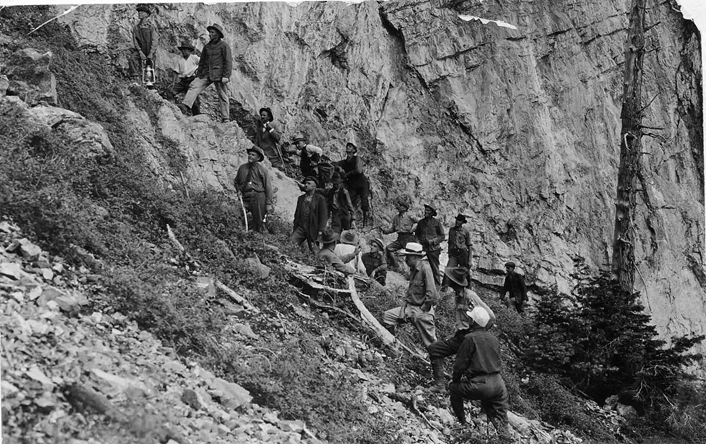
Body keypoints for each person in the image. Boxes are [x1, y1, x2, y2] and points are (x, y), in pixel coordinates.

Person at [428, 267, 495, 392]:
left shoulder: (470, 296)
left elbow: (491, 317)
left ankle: (482, 402)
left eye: (450, 279)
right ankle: (440, 385)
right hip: (460, 336)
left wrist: (479, 333)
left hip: (471, 338)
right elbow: (462, 320)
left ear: (455, 282)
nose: (447, 280)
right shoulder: (458, 295)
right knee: (434, 349)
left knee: (476, 368)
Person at [449, 306, 511, 439]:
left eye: (471, 319)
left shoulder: (469, 338)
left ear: (474, 322)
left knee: (454, 389)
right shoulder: (494, 339)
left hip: (482, 384)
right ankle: (505, 439)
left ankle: (463, 424)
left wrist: (455, 380)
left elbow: (459, 365)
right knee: (501, 421)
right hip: (499, 384)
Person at [382, 242, 438, 349]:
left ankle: (437, 365)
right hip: (410, 307)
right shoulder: (413, 269)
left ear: (414, 257)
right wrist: (404, 308)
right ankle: (393, 347)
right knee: (388, 317)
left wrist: (422, 310)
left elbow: (432, 295)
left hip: (422, 311)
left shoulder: (425, 268)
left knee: (431, 343)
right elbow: (410, 293)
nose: (405, 260)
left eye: (407, 256)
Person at [182, 24, 232, 122]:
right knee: (194, 85)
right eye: (210, 32)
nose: (210, 34)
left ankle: (225, 118)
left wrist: (226, 76)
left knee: (223, 95)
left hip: (219, 74)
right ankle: (186, 106)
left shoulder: (224, 46)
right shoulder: (207, 47)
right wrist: (199, 73)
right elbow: (202, 61)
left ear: (217, 34)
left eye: (212, 32)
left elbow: (228, 61)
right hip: (206, 73)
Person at [234, 146, 272, 234]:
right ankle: (239, 232)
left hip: (258, 197)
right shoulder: (242, 168)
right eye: (249, 154)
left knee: (260, 221)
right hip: (245, 197)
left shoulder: (262, 170)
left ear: (258, 158)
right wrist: (238, 190)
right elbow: (236, 182)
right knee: (236, 212)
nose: (250, 156)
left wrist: (268, 203)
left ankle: (262, 238)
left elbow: (268, 187)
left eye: (253, 155)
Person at [336, 142, 371, 226]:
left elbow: (359, 170)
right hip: (352, 185)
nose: (348, 147)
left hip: (362, 183)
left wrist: (346, 174)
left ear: (354, 150)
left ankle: (365, 223)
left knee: (364, 201)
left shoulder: (357, 159)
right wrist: (339, 168)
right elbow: (335, 164)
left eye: (350, 146)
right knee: (348, 201)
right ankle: (348, 221)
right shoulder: (344, 162)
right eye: (347, 146)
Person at [290, 176, 328, 252]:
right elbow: (297, 214)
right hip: (301, 227)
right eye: (305, 183)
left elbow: (323, 216)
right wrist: (295, 226)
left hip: (313, 228)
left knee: (315, 251)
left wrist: (320, 230)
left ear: (314, 186)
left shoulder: (320, 199)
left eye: (309, 183)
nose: (306, 185)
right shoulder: (301, 198)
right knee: (291, 243)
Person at [381, 197, 417, 271]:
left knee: (410, 256)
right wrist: (385, 231)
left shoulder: (410, 215)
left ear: (404, 207)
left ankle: (413, 273)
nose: (398, 207)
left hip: (409, 238)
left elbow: (420, 223)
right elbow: (393, 229)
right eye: (398, 205)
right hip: (400, 238)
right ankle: (396, 266)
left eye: (400, 205)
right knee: (389, 248)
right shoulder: (396, 218)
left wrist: (413, 229)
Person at [415, 204, 445, 286]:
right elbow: (416, 234)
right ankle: (416, 282)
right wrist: (418, 243)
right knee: (416, 264)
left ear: (432, 213)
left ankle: (437, 286)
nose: (426, 212)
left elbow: (442, 236)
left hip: (433, 249)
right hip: (422, 248)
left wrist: (432, 241)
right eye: (425, 210)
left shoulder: (436, 223)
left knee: (434, 268)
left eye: (428, 210)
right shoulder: (421, 222)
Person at [129, 5, 158, 84]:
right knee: (132, 58)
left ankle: (150, 83)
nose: (139, 13)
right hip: (141, 49)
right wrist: (140, 52)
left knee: (150, 65)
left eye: (142, 12)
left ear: (147, 14)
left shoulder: (151, 27)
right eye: (139, 12)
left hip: (149, 48)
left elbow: (154, 40)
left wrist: (151, 53)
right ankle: (135, 78)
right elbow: (135, 41)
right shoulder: (136, 27)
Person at [442, 214, 472, 290]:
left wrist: (469, 260)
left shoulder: (465, 231)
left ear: (462, 222)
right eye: (457, 220)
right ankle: (444, 287)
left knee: (466, 271)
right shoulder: (451, 230)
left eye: (459, 221)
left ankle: (468, 288)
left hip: (463, 254)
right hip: (454, 254)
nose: (457, 222)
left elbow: (469, 246)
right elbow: (449, 242)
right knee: (448, 269)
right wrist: (449, 253)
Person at [172, 42, 200, 115]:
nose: (183, 51)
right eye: (183, 50)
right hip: (183, 80)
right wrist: (173, 83)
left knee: (194, 99)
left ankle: (196, 115)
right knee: (171, 90)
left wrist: (199, 72)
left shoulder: (194, 58)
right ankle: (171, 107)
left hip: (192, 79)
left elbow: (203, 63)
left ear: (190, 51)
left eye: (185, 50)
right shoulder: (179, 60)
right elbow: (176, 72)